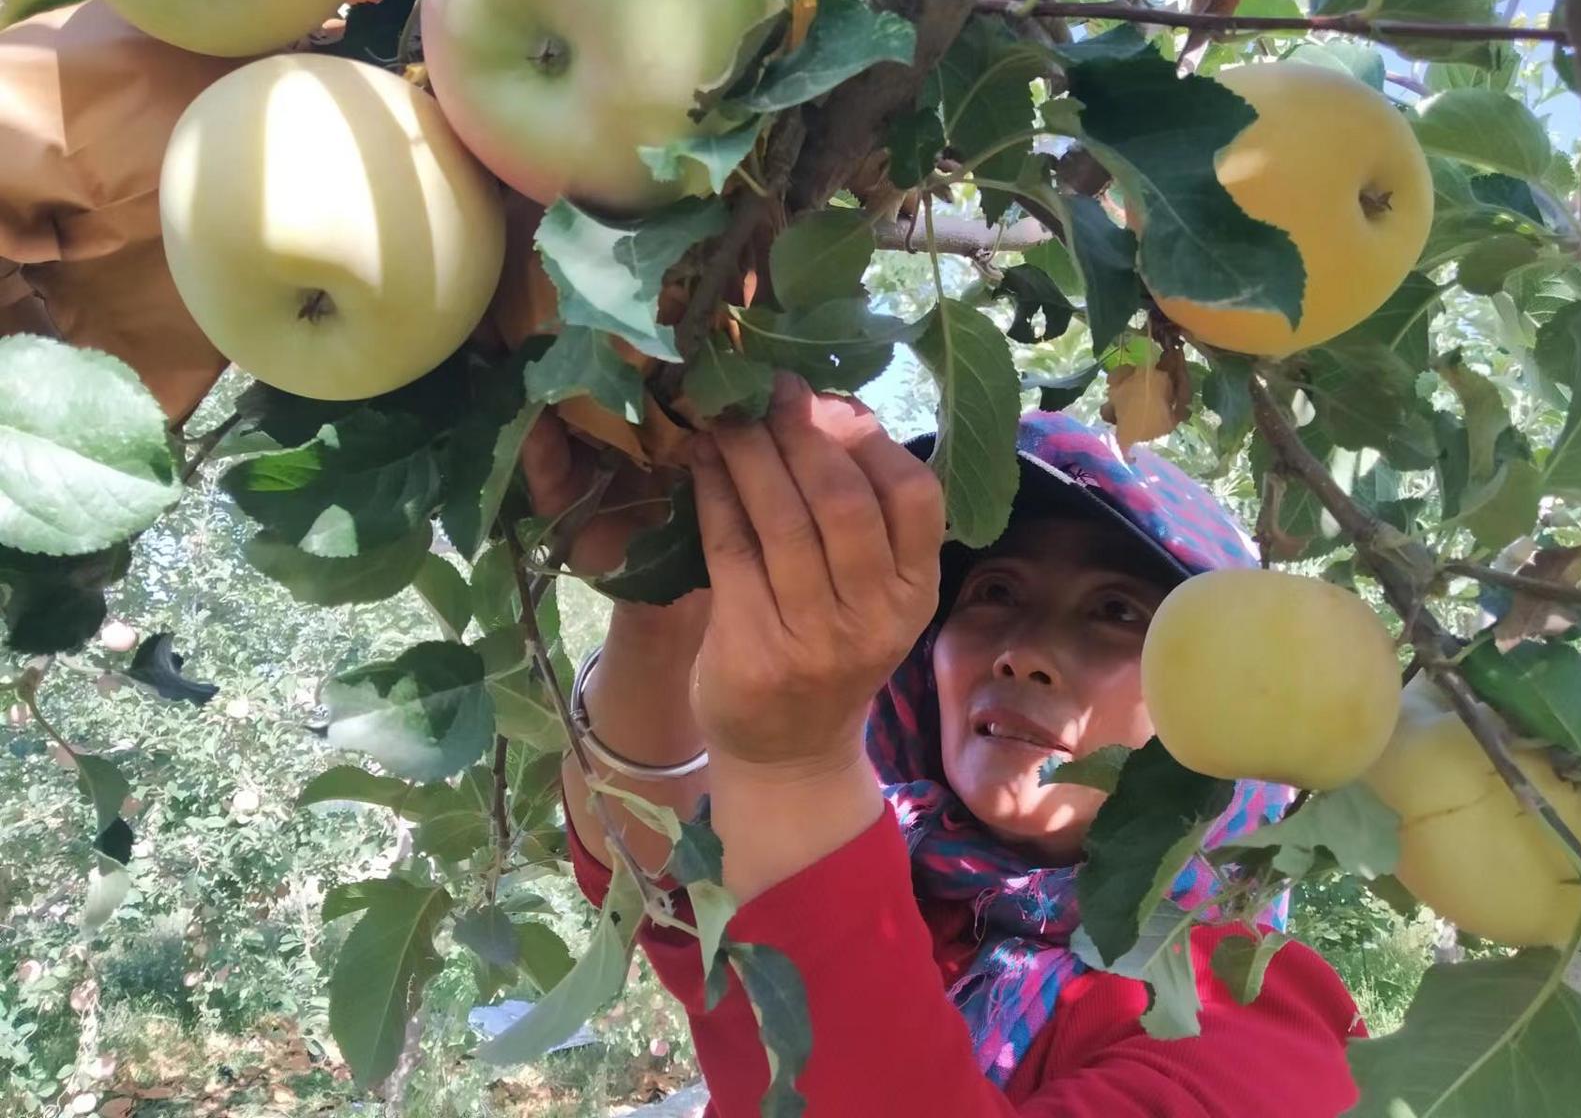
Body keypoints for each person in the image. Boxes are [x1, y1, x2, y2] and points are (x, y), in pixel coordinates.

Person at [522, 372, 1365, 1116]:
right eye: (995, 590)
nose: (1023, 651)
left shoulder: (1253, 1017)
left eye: (1118, 612)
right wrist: (660, 609)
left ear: (1216, 708)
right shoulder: (893, 878)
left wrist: (793, 764)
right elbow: (662, 879)